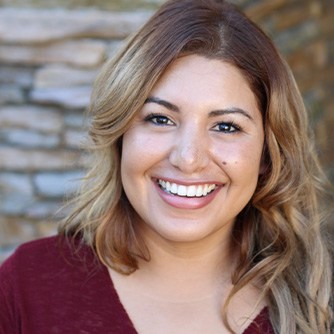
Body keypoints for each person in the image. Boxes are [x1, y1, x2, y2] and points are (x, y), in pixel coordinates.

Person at [0, 0, 332, 333]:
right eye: (160, 119)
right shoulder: (24, 288)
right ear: (120, 136)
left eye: (226, 126)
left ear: (266, 153)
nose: (188, 159)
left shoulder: (321, 301)